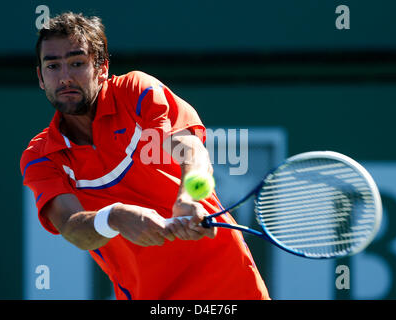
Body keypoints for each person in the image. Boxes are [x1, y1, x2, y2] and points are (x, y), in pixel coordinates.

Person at [20, 12, 270, 300]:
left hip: (230, 284)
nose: (64, 77)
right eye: (52, 66)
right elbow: (72, 226)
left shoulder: (135, 91)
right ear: (41, 77)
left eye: (77, 63)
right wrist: (114, 217)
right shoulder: (40, 158)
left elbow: (191, 149)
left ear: (102, 68)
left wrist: (190, 196)